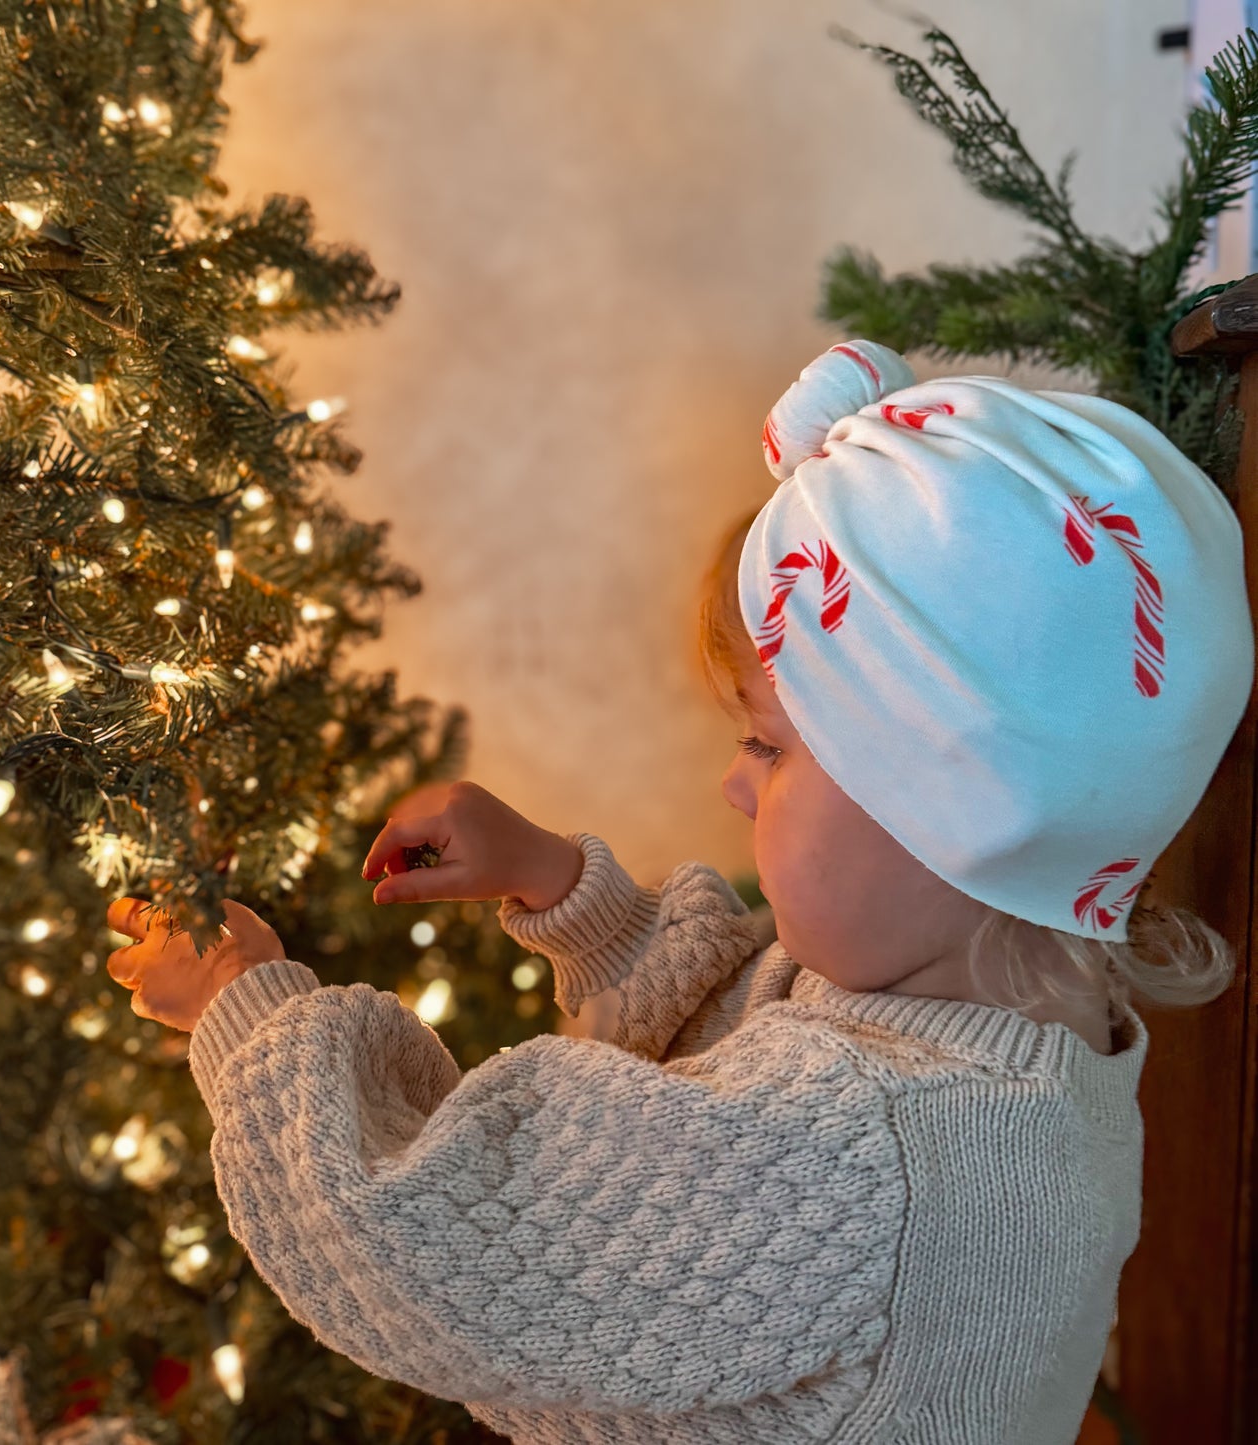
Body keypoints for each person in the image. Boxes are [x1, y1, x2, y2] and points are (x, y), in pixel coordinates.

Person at [106, 339, 1254, 1443]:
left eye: (767, 746)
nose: (732, 785)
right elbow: (742, 1053)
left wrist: (239, 999)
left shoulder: (853, 1159)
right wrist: (568, 891)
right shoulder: (1005, 1023)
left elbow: (422, 1228)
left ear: (948, 800)